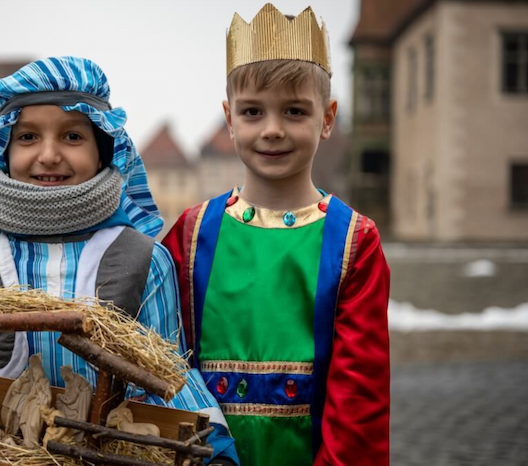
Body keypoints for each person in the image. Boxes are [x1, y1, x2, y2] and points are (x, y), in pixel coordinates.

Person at [0, 56, 238, 465]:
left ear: (102, 150)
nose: (49, 155)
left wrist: (214, 449)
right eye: (28, 137)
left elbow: (168, 380)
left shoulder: (143, 260)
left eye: (72, 137)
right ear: (4, 148)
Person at [161, 5, 390, 466]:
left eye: (293, 110)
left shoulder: (352, 244)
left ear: (327, 118)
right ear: (229, 118)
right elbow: (162, 369)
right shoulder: (190, 235)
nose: (271, 129)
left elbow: (358, 414)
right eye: (252, 111)